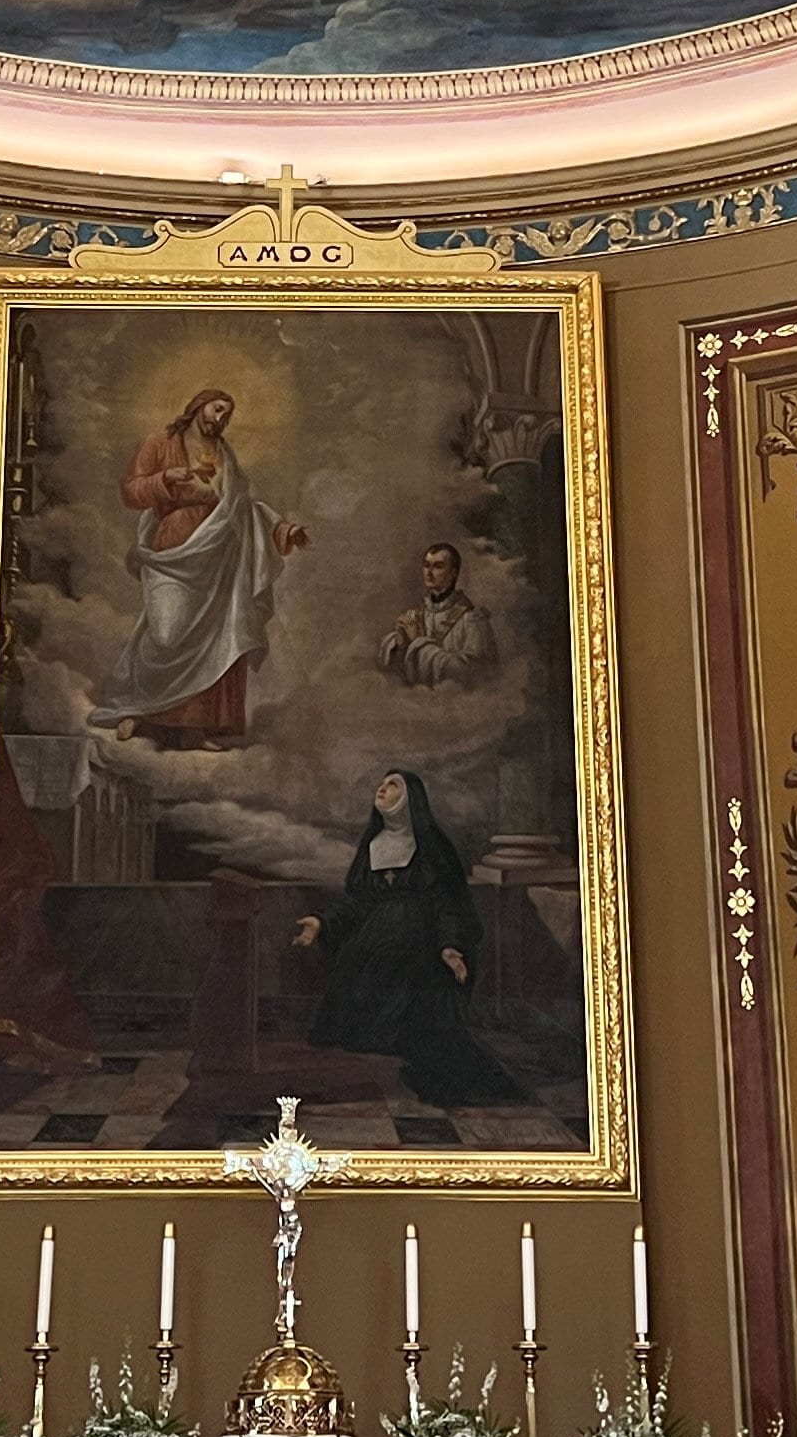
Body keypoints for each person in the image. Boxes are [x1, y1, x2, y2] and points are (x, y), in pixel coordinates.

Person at [88, 387, 305, 747]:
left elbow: (243, 506)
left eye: (227, 415)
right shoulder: (162, 442)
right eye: (217, 410)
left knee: (216, 635)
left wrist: (281, 529)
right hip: (175, 546)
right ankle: (140, 712)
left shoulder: (224, 454)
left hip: (220, 553)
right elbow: (130, 491)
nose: (221, 420)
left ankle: (194, 728)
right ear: (197, 407)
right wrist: (164, 480)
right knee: (167, 634)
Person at [294, 771, 519, 1111]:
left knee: (421, 1025)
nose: (382, 789)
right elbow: (357, 901)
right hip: (371, 948)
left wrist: (449, 946)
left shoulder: (431, 847)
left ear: (410, 799)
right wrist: (321, 923)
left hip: (419, 949)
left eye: (392, 785)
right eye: (381, 785)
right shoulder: (372, 845)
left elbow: (446, 904)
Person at [380, 541, 494, 686]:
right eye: (426, 565)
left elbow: (476, 674)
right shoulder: (414, 615)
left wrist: (418, 642)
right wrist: (401, 645)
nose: (429, 572)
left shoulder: (472, 620)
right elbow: (395, 674)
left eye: (438, 567)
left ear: (453, 573)